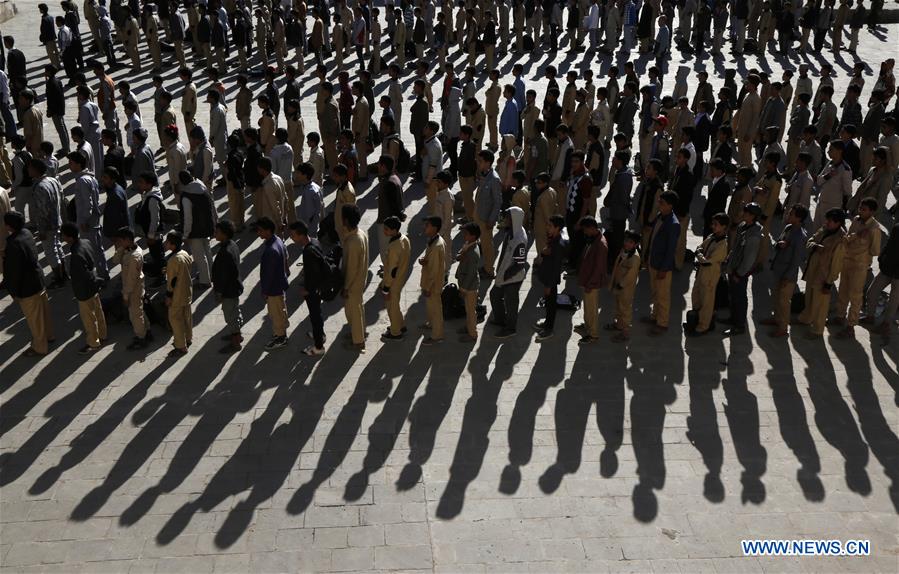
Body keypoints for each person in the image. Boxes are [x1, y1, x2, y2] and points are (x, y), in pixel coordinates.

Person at [4, 211, 54, 356]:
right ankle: (49, 336)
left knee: (35, 319)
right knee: (44, 312)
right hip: (38, 279)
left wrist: (14, 292)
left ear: (9, 226)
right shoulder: (27, 233)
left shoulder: (13, 243)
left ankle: (40, 346)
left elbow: (14, 272)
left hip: (26, 287)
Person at [834, 198, 882, 338]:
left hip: (860, 266)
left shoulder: (874, 228)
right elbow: (848, 237)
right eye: (860, 208)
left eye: (864, 209)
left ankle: (851, 325)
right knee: (843, 290)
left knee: (855, 296)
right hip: (847, 261)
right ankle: (840, 316)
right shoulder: (856, 220)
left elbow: (875, 251)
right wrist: (855, 237)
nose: (860, 211)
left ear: (872, 212)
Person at [799, 208, 847, 339]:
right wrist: (814, 246)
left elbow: (837, 264)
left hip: (824, 276)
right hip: (813, 270)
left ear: (838, 223)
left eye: (831, 221)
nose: (827, 223)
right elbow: (810, 241)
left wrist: (829, 283)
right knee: (809, 297)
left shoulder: (841, 240)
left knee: (821, 305)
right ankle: (806, 318)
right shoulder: (824, 229)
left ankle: (817, 330)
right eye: (828, 220)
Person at [762, 205, 809, 337]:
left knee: (784, 302)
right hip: (779, 269)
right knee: (776, 297)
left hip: (787, 275)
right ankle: (776, 318)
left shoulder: (800, 236)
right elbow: (778, 242)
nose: (788, 215)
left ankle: (783, 328)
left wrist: (787, 277)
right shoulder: (788, 228)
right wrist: (779, 244)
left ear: (799, 218)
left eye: (792, 214)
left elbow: (796, 260)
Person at [60, 223, 107, 354]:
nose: (62, 237)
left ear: (69, 237)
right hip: (94, 285)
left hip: (84, 290)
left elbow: (82, 275)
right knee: (98, 311)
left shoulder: (75, 255)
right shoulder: (85, 242)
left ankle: (93, 342)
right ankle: (103, 335)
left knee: (89, 318)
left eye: (63, 235)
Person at [723, 203, 763, 337]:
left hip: (740, 272)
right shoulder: (743, 226)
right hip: (734, 267)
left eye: (746, 212)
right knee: (733, 295)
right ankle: (733, 318)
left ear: (753, 216)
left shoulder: (754, 235)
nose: (743, 213)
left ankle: (739, 325)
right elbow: (735, 247)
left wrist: (739, 274)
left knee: (739, 297)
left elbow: (749, 258)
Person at [686, 213, 729, 337]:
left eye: (716, 225)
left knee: (707, 301)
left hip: (710, 275)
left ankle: (704, 325)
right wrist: (700, 254)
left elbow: (706, 260)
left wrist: (700, 255)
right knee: (696, 294)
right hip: (701, 272)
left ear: (724, 227)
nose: (713, 226)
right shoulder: (712, 237)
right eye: (713, 224)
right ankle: (696, 319)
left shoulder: (722, 245)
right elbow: (700, 248)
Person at [68, 151, 108, 280]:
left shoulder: (82, 181)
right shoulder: (90, 177)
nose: (69, 165)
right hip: (93, 220)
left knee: (94, 250)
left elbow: (88, 203)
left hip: (88, 222)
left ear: (79, 164)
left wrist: (84, 221)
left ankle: (101, 276)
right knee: (97, 249)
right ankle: (102, 273)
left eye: (71, 163)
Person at [490, 207, 529, 339]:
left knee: (511, 303)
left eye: (508, 218)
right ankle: (500, 320)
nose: (505, 220)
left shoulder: (520, 239)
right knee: (495, 294)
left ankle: (510, 328)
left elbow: (519, 264)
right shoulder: (511, 232)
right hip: (504, 274)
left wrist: (506, 275)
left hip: (513, 277)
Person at [646, 192, 681, 335]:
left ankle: (662, 323)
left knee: (663, 296)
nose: (658, 205)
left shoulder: (673, 224)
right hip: (653, 261)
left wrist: (664, 268)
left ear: (670, 206)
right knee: (655, 292)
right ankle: (655, 316)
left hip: (662, 266)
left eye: (662, 203)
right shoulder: (660, 217)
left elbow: (670, 250)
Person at [111, 227, 150, 351]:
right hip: (133, 286)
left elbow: (131, 279)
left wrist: (125, 296)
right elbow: (115, 260)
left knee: (135, 315)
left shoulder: (135, 256)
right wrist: (121, 248)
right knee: (139, 311)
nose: (119, 243)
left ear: (127, 240)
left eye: (121, 241)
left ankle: (141, 338)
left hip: (134, 288)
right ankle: (146, 331)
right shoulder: (128, 250)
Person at [255, 216, 290, 351]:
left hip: (274, 288)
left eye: (260, 230)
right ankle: (281, 333)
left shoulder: (270, 251)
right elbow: (286, 258)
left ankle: (280, 337)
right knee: (280, 310)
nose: (258, 233)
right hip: (280, 283)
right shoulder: (278, 240)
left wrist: (265, 290)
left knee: (276, 313)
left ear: (268, 231)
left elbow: (268, 274)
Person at [573, 215, 609, 344]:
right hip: (587, 279)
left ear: (592, 228)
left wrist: (591, 283)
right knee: (587, 306)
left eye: (585, 229)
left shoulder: (600, 244)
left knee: (592, 308)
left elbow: (599, 268)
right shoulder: (593, 239)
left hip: (592, 282)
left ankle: (593, 335)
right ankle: (587, 326)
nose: (584, 232)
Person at [211, 221, 244, 354]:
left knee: (230, 316)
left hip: (229, 290)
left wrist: (219, 292)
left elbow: (223, 276)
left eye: (217, 232)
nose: (215, 234)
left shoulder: (226, 252)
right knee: (233, 312)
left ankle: (236, 342)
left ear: (224, 234)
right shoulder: (232, 245)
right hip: (233, 287)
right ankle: (236, 334)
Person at [533, 214, 566, 342]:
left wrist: (549, 285)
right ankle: (547, 323)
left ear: (557, 228)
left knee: (551, 305)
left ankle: (549, 329)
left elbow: (556, 269)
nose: (547, 228)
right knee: (549, 304)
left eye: (550, 226)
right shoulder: (553, 239)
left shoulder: (558, 245)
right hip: (547, 278)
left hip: (550, 281)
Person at [379, 216, 411, 342]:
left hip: (393, 281)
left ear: (394, 230)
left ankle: (395, 333)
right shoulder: (405, 239)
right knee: (395, 304)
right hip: (401, 277)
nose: (384, 231)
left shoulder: (394, 247)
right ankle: (400, 325)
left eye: (386, 229)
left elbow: (392, 270)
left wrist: (386, 288)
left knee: (392, 306)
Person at [341, 204, 368, 351]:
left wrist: (346, 287)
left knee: (353, 310)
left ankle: (358, 341)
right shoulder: (361, 234)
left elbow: (351, 268)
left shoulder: (352, 242)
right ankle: (359, 332)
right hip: (360, 279)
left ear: (345, 220)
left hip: (353, 282)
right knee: (358, 308)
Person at [608, 230, 642, 342]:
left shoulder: (635, 258)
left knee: (625, 309)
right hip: (618, 284)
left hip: (625, 288)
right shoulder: (624, 251)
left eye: (631, 242)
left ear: (636, 244)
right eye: (626, 241)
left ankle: (625, 332)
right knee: (618, 306)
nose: (627, 243)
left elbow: (631, 276)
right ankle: (619, 325)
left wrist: (621, 285)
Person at [164, 231, 194, 357]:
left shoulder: (173, 260)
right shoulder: (185, 254)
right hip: (187, 292)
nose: (165, 243)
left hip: (177, 295)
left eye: (167, 242)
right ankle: (188, 338)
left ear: (172, 245)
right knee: (187, 317)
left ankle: (181, 346)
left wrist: (168, 296)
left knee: (175, 320)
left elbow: (172, 281)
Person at [475, 150, 502, 277]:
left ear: (488, 163)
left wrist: (492, 220)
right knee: (482, 244)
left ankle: (489, 270)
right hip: (479, 214)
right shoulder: (484, 174)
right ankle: (485, 265)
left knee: (487, 246)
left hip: (486, 219)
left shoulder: (494, 179)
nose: (478, 163)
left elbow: (498, 202)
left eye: (480, 161)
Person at [455, 222, 482, 343]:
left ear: (473, 236)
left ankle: (472, 334)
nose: (463, 235)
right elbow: (459, 254)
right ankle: (468, 327)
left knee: (471, 311)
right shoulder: (468, 244)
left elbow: (471, 274)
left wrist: (463, 289)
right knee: (468, 309)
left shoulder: (473, 253)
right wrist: (460, 256)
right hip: (466, 283)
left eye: (466, 233)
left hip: (470, 286)